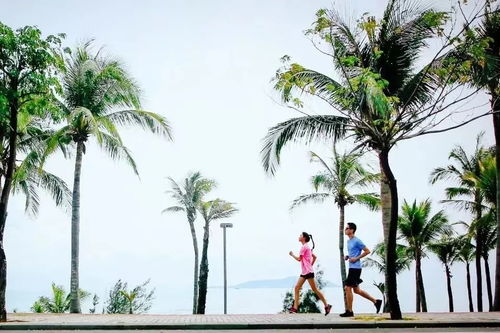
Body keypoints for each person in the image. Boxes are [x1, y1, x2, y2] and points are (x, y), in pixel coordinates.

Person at [340, 222, 382, 317]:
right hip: (352, 267)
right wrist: (348, 257)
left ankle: (350, 311)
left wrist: (356, 258)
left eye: (347, 228)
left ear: (352, 230)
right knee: (357, 291)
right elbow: (353, 253)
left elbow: (367, 251)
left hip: (356, 268)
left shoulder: (357, 241)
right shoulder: (348, 241)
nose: (345, 230)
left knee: (347, 288)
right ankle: (376, 301)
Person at [288, 231, 332, 315]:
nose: (299, 236)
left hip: (307, 272)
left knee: (314, 289)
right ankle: (295, 308)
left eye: (300, 235)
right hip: (306, 272)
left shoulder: (304, 247)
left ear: (304, 238)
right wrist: (310, 265)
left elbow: (299, 259)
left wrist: (292, 254)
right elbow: (314, 257)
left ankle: (327, 305)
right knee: (297, 288)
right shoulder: (307, 247)